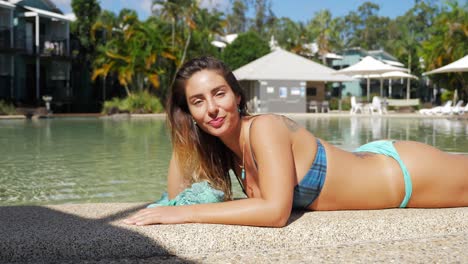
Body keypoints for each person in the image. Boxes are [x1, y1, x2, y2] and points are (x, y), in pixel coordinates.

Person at [123, 56, 468, 227]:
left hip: (408, 175)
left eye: (219, 93)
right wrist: (184, 134)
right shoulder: (224, 149)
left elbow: (275, 212)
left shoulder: (265, 128)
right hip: (369, 161)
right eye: (197, 102)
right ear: (189, 112)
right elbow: (175, 199)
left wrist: (181, 216)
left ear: (238, 96)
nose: (212, 108)